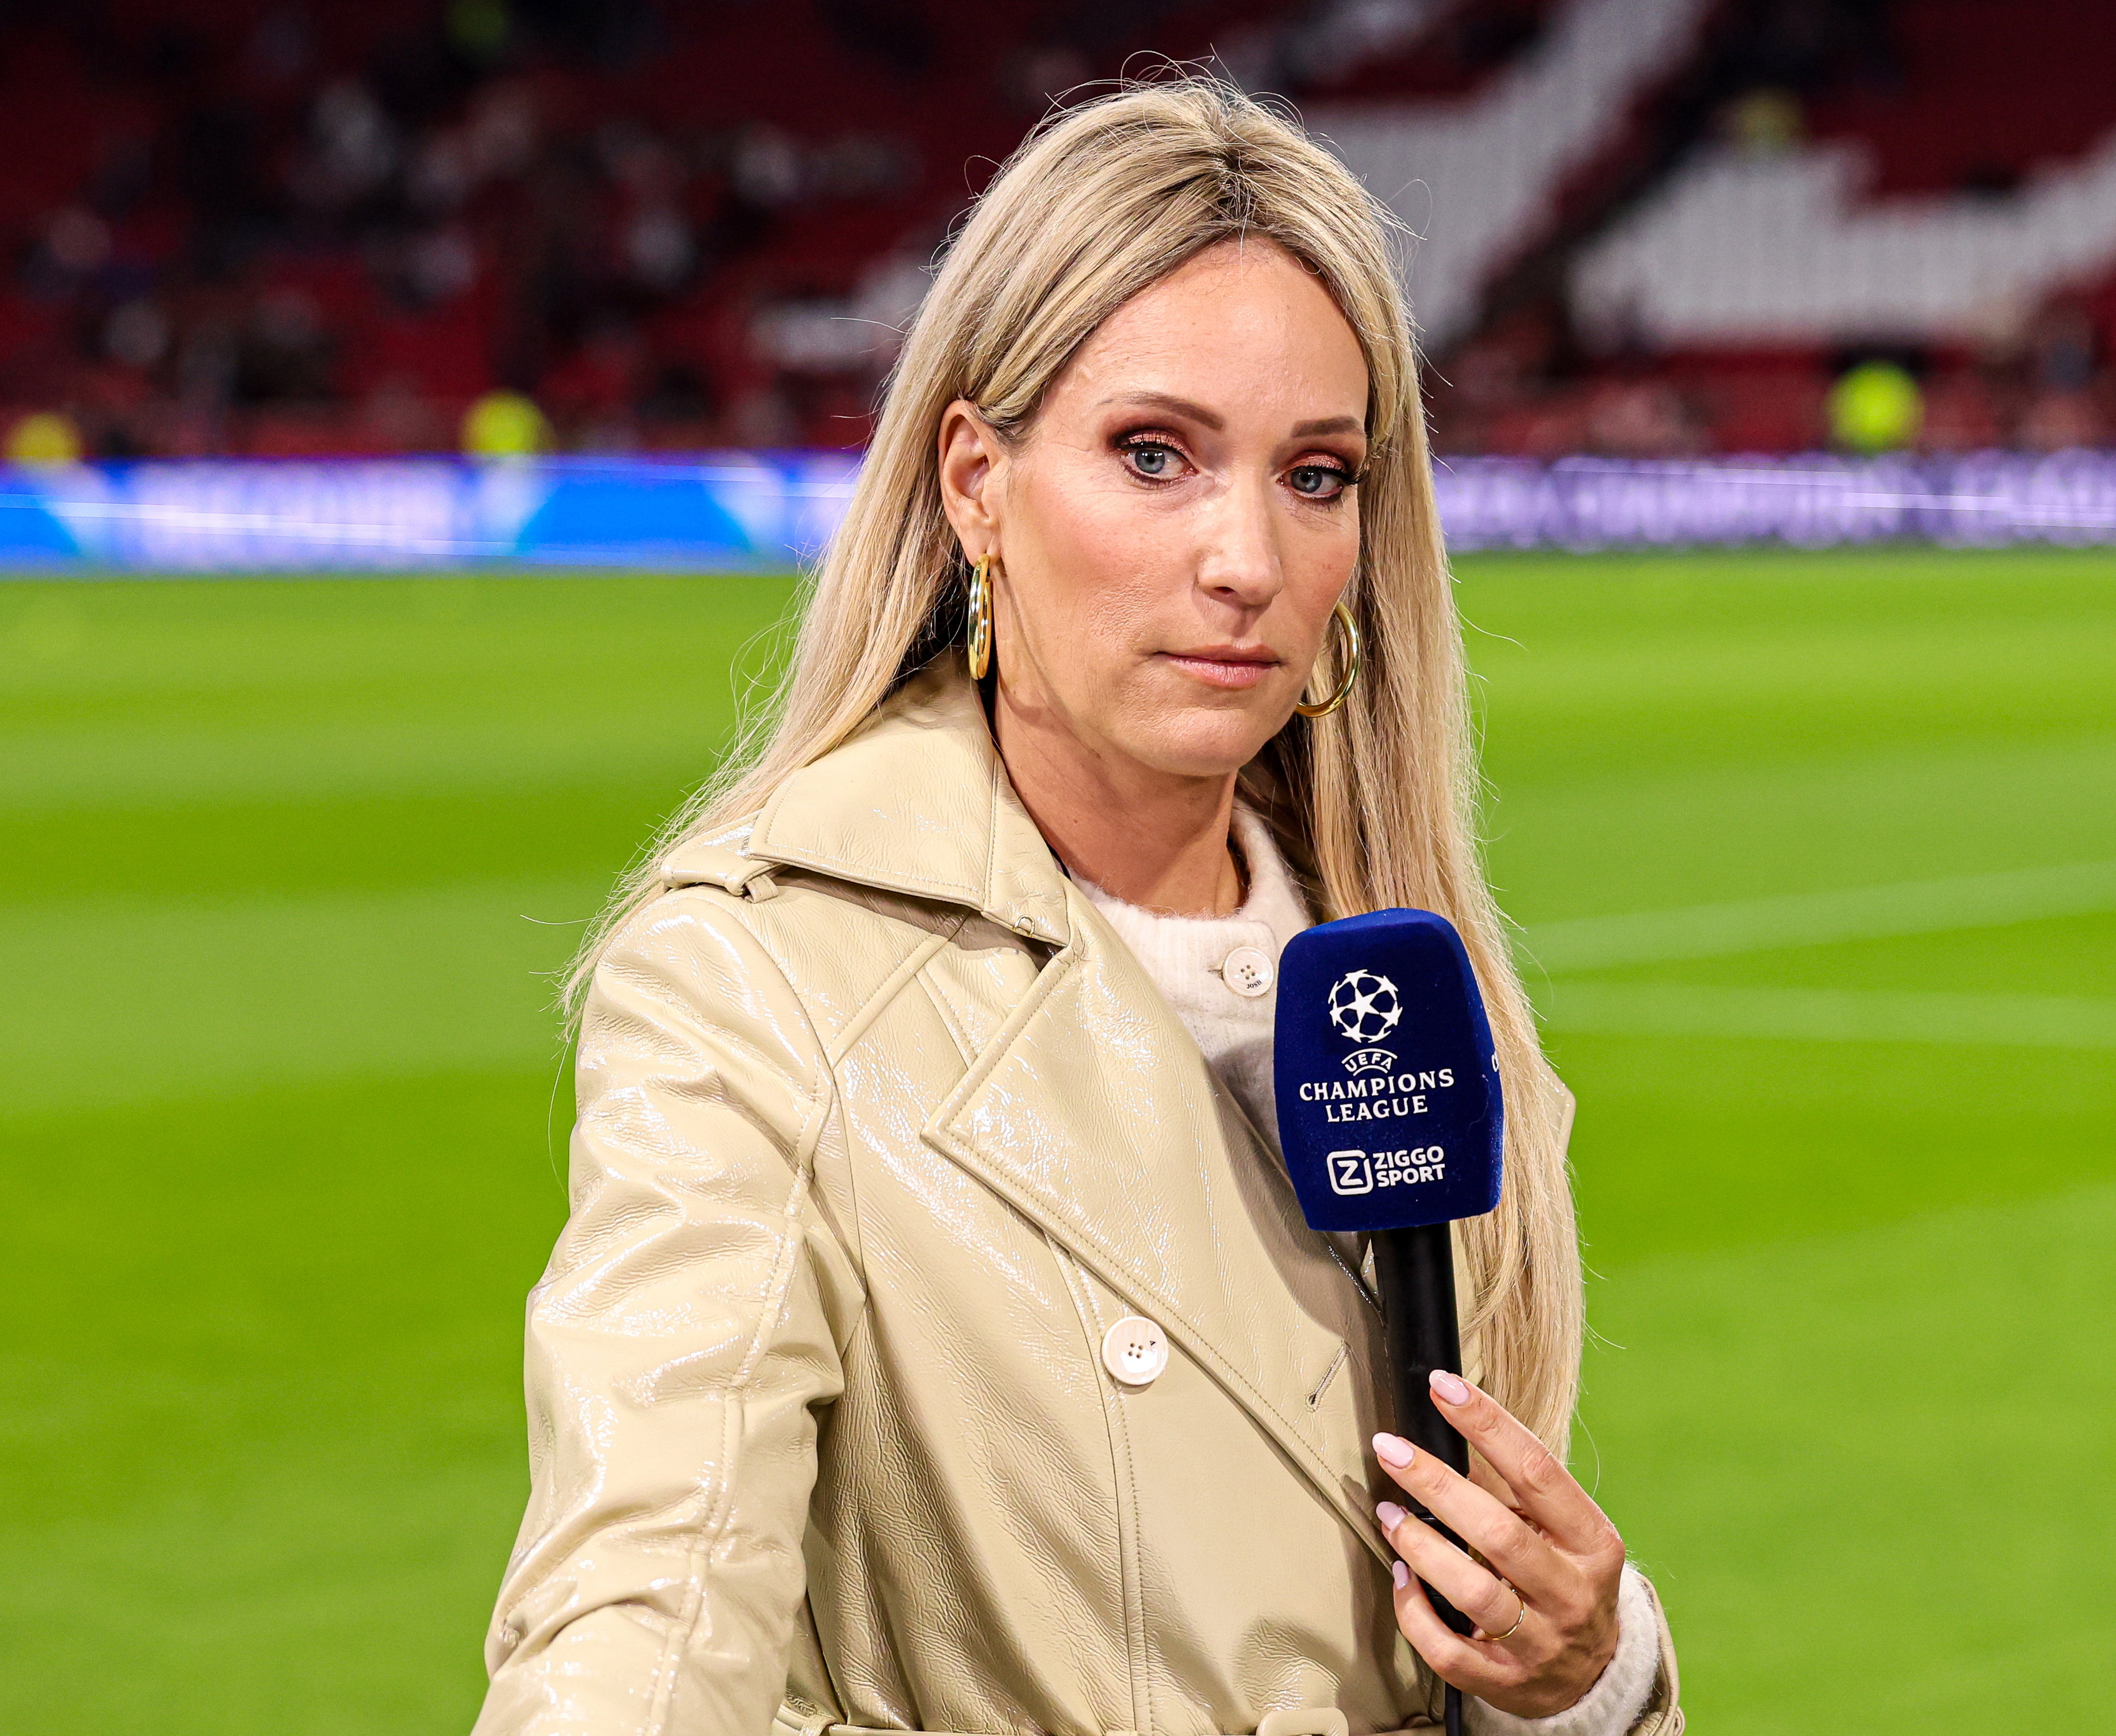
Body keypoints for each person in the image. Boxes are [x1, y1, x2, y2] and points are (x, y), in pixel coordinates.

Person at [475, 80, 1681, 1736]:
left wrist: (1578, 1670)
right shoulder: (754, 974)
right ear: (977, 479)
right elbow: (646, 1612)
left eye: (1315, 474)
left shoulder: (1399, 982)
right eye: (1156, 455)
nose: (1245, 557)